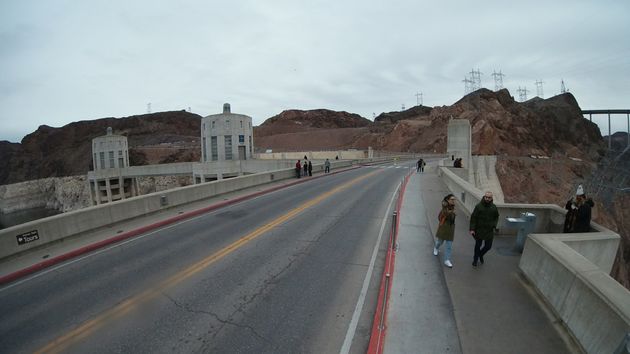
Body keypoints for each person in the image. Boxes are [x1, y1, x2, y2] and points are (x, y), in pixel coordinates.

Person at [469, 191, 500, 267]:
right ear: (484, 197)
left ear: (491, 198)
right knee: (477, 246)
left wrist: (494, 225)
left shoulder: (494, 207)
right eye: (486, 197)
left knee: (488, 246)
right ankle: (475, 260)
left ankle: (480, 254)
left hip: (489, 231)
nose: (487, 199)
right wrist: (472, 229)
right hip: (479, 230)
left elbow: (496, 216)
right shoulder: (479, 206)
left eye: (489, 197)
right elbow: (473, 218)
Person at [434, 194, 457, 268]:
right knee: (440, 242)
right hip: (444, 227)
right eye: (452, 199)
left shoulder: (452, 207)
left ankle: (447, 260)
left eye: (454, 199)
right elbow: (445, 213)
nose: (453, 201)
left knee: (449, 245)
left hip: (450, 228)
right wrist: (451, 212)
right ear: (447, 200)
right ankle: (436, 248)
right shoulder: (444, 207)